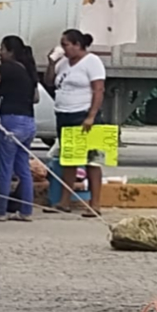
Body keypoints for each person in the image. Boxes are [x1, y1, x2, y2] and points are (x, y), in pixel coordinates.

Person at [47, 29, 106, 216]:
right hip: (64, 113)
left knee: (91, 160)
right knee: (68, 159)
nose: (63, 49)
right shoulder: (63, 63)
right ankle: (64, 201)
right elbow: (49, 81)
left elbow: (98, 90)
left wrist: (91, 115)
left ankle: (94, 203)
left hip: (83, 113)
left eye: (66, 44)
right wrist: (51, 63)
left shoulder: (92, 62)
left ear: (77, 45)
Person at [0, 36, 39, 222]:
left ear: (11, 51)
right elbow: (36, 98)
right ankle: (26, 211)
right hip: (29, 122)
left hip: (11, 121)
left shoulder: (10, 68)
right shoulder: (28, 70)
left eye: (2, 49)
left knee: (5, 168)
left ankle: (0, 211)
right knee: (22, 167)